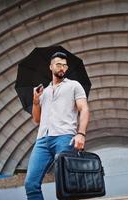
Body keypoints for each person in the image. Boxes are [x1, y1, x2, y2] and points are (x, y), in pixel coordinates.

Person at [24, 52, 90, 200]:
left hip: (64, 138)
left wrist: (81, 133)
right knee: (30, 184)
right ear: (51, 66)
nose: (62, 68)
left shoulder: (74, 85)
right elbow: (36, 119)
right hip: (42, 140)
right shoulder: (44, 92)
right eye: (59, 64)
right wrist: (35, 101)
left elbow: (84, 109)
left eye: (64, 65)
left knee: (67, 183)